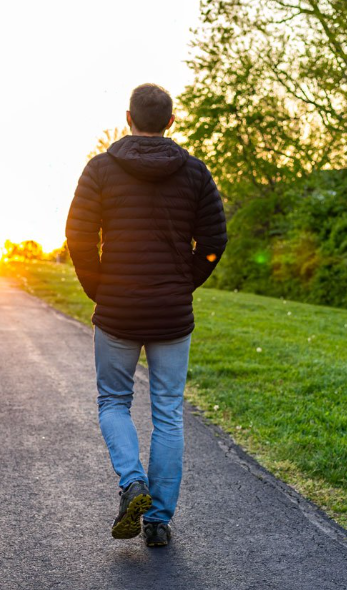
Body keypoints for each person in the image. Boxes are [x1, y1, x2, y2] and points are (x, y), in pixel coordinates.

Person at [65, 83, 228, 547]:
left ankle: (131, 481)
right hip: (171, 314)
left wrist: (99, 288)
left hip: (117, 309)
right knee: (168, 413)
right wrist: (184, 283)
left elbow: (78, 237)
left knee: (114, 402)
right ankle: (157, 520)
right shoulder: (195, 172)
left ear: (128, 118)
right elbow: (214, 243)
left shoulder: (100, 168)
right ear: (171, 122)